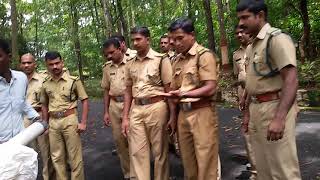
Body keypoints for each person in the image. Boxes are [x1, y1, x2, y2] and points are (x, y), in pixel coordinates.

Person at [237, 0, 301, 179]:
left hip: (275, 107)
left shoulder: (277, 39)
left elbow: (291, 79)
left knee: (282, 170)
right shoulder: (252, 46)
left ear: (261, 16)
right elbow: (253, 82)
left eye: (245, 17)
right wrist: (248, 113)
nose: (241, 23)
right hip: (256, 110)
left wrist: (280, 119)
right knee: (263, 168)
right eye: (239, 18)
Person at [166, 17, 219, 180]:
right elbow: (174, 91)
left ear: (192, 35)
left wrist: (184, 94)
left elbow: (210, 87)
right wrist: (173, 118)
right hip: (183, 115)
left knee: (206, 162)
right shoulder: (176, 60)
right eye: (173, 39)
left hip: (202, 113)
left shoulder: (204, 55)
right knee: (188, 163)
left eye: (180, 38)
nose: (176, 43)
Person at [121, 26, 173, 180]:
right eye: (133, 40)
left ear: (148, 40)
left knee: (160, 152)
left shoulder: (161, 60)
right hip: (136, 109)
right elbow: (128, 91)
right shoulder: (130, 63)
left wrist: (172, 116)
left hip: (157, 108)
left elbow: (168, 89)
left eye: (138, 39)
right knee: (137, 152)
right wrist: (125, 117)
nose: (135, 43)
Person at [41, 51, 89, 180]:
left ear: (62, 63)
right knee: (57, 157)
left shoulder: (73, 81)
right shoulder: (45, 83)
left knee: (74, 157)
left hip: (70, 120)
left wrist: (83, 122)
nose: (55, 67)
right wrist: (45, 124)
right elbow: (44, 104)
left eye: (57, 63)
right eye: (51, 64)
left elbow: (84, 99)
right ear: (47, 65)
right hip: (53, 123)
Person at [19, 53, 55, 180]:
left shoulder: (43, 79)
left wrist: (47, 121)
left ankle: (47, 177)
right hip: (23, 120)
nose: (26, 65)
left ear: (35, 64)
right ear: (20, 64)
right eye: (24, 63)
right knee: (27, 152)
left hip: (39, 116)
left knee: (45, 152)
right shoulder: (16, 80)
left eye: (29, 62)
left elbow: (50, 101)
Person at [101, 38, 133, 180]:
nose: (109, 56)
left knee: (134, 140)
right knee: (120, 142)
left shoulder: (132, 62)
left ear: (120, 48)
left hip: (131, 105)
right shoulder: (107, 68)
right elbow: (106, 90)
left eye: (111, 52)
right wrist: (106, 111)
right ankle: (128, 174)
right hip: (114, 106)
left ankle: (139, 173)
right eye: (106, 54)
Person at [0, 38, 40, 144]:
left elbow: (22, 101)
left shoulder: (21, 78)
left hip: (21, 139)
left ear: (9, 57)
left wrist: (36, 117)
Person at [232, 26, 257, 179]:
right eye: (236, 34)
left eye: (242, 32)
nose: (239, 35)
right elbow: (238, 76)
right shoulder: (236, 54)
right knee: (247, 129)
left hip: (259, 92)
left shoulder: (257, 48)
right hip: (243, 93)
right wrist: (239, 96)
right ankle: (254, 165)